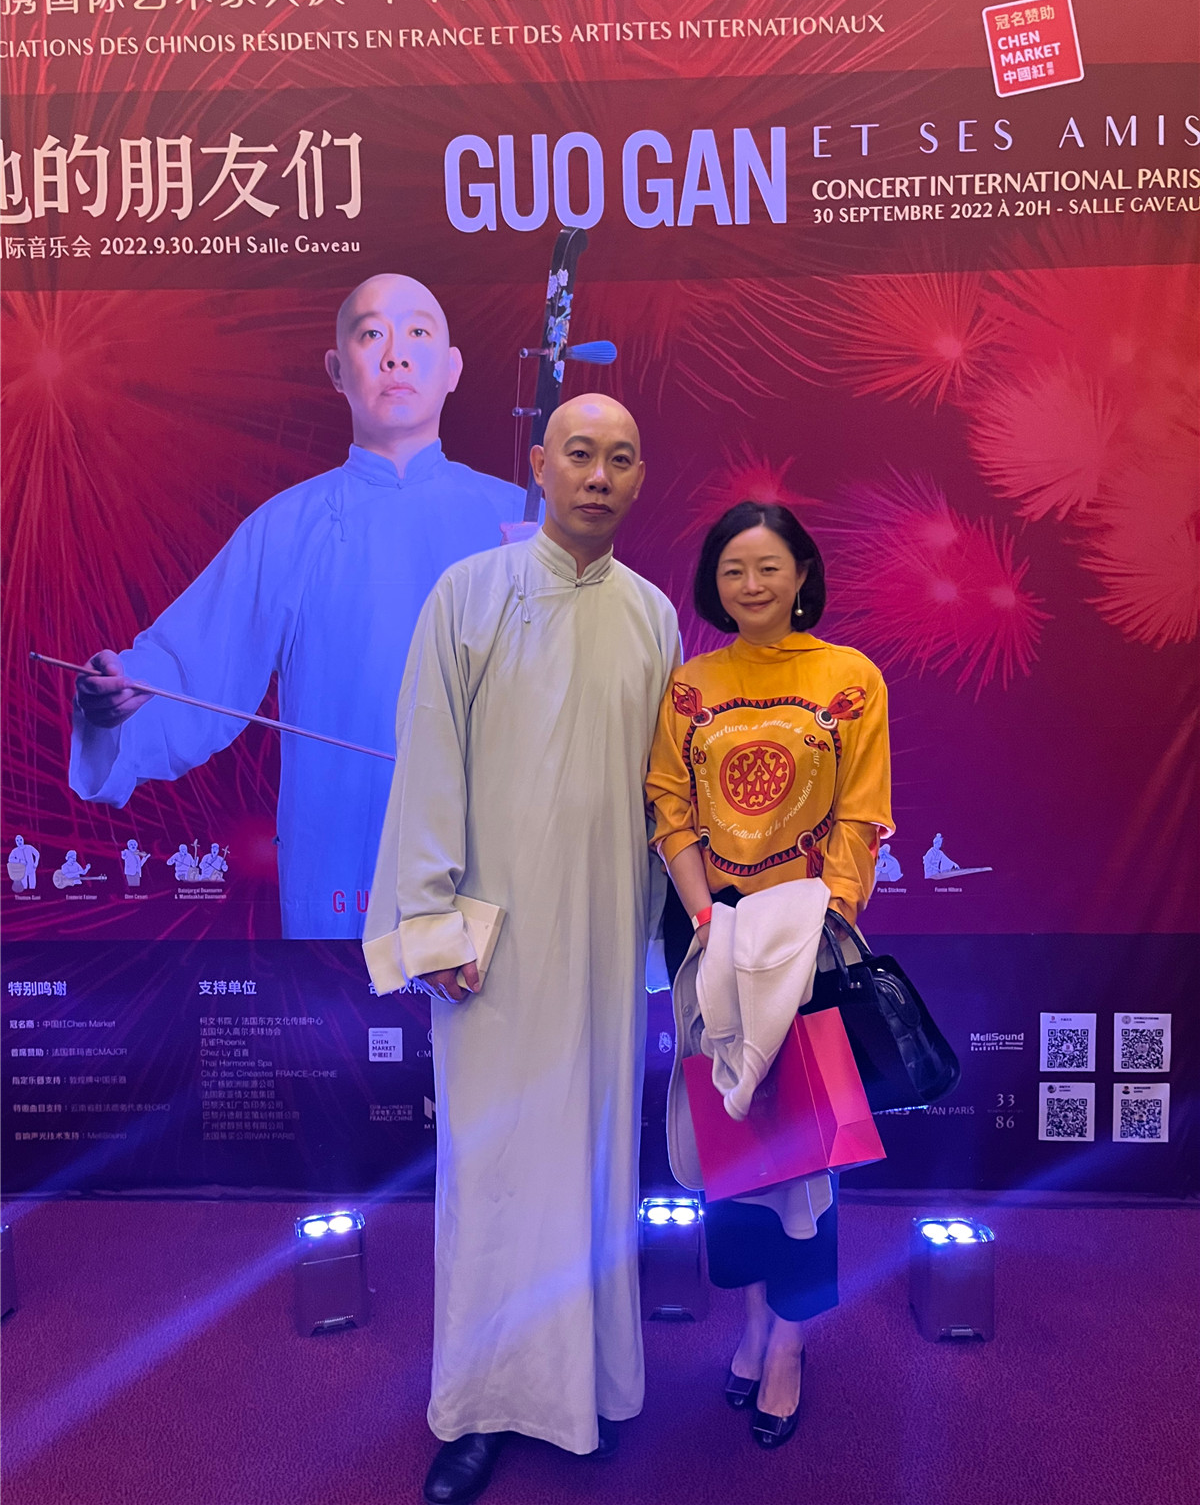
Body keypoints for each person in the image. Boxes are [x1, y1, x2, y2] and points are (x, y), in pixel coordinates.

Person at [364, 394, 679, 1505]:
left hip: (604, 942)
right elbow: (425, 762)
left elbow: (665, 797)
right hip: (488, 949)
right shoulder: (469, 593)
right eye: (579, 454)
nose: (598, 476)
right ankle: (480, 1411)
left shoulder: (652, 616)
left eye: (620, 459)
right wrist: (432, 925)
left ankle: (585, 1388)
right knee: (495, 1177)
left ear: (640, 479)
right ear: (539, 465)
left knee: (594, 1164)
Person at [69, 275, 524, 938]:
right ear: (337, 370)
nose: (396, 355)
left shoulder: (521, 523)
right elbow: (189, 668)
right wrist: (120, 697)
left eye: (418, 334)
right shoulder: (287, 527)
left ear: (452, 368)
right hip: (341, 865)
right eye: (372, 334)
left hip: (493, 865)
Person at [645, 500, 892, 1450]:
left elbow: (861, 814)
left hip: (808, 944)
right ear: (715, 583)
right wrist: (705, 914)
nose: (750, 585)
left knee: (807, 1151)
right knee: (737, 1145)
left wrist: (829, 917)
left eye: (768, 567)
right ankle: (753, 1324)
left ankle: (789, 1345)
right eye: (733, 570)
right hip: (712, 937)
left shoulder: (849, 679)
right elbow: (669, 806)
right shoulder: (691, 687)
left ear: (802, 576)